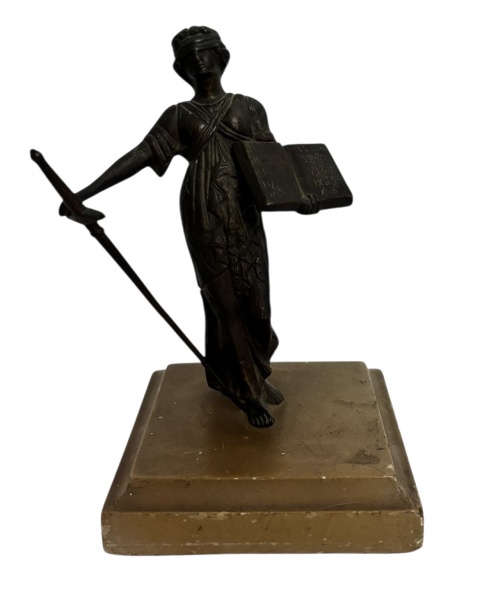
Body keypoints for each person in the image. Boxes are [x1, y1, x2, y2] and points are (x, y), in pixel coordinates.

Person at [62, 26, 287, 427]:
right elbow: (140, 155)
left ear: (221, 56)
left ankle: (254, 371)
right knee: (224, 301)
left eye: (204, 51)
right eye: (188, 57)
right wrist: (85, 193)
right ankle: (248, 392)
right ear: (180, 68)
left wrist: (303, 198)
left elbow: (274, 163)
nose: (198, 60)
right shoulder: (179, 115)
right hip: (203, 211)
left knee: (257, 303)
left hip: (244, 211)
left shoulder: (249, 107)